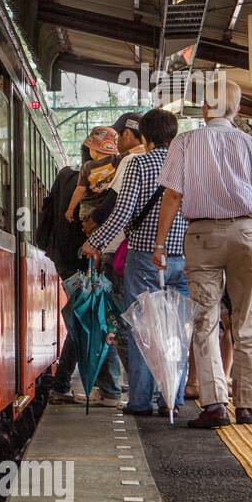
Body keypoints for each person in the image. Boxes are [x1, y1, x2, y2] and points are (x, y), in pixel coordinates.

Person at [153, 76, 252, 428]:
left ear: (206, 107)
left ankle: (214, 405)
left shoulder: (186, 143)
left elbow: (174, 196)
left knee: (206, 320)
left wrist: (160, 243)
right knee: (245, 318)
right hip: (245, 233)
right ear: (236, 108)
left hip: (202, 235)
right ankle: (247, 406)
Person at [84, 108, 189, 417]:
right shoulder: (186, 164)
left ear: (144, 136)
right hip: (182, 257)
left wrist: (95, 242)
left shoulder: (139, 163)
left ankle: (141, 400)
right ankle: (173, 396)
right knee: (175, 329)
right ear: (173, 135)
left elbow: (122, 212)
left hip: (144, 257)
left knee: (142, 328)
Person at [39, 161, 121, 403]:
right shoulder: (107, 178)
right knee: (97, 319)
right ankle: (108, 388)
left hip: (66, 262)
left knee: (84, 318)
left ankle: (63, 384)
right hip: (87, 260)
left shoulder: (65, 177)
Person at [66, 126, 119, 226]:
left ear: (93, 149)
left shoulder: (87, 166)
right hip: (108, 209)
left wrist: (70, 210)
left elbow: (80, 190)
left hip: (88, 210)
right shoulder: (117, 161)